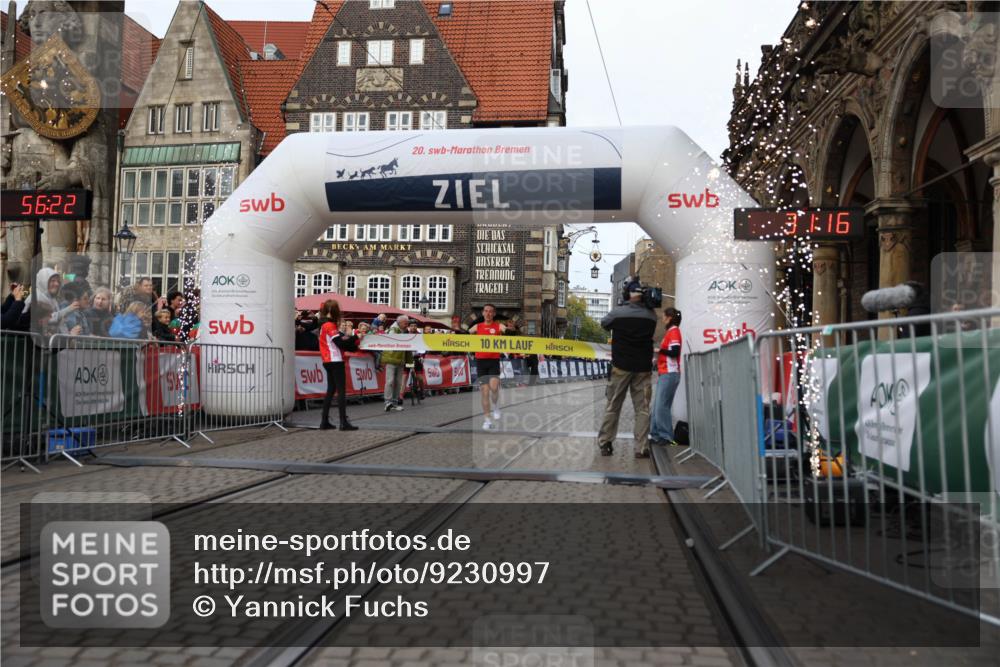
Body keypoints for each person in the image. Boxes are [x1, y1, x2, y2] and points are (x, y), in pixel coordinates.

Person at [597, 279, 658, 457]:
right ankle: (641, 447)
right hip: (643, 368)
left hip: (621, 367)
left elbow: (604, 323)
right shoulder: (651, 315)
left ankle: (606, 443)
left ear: (627, 294)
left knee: (613, 405)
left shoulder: (618, 313)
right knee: (643, 408)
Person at [317, 299, 359, 431]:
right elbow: (340, 343)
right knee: (341, 391)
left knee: (330, 391)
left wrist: (350, 339)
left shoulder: (323, 324)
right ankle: (343, 422)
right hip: (335, 359)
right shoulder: (329, 325)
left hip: (327, 360)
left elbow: (340, 341)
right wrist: (354, 338)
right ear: (335, 311)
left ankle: (324, 421)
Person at [650, 308, 683, 446]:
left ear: (669, 318)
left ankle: (666, 436)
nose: (662, 318)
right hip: (666, 373)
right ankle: (656, 434)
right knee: (658, 405)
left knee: (661, 406)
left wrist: (658, 350)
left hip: (670, 373)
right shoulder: (670, 332)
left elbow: (674, 352)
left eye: (664, 316)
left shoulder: (674, 331)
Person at [470, 304, 506, 429]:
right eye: (486, 311)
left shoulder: (498, 326)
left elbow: (508, 333)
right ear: (483, 313)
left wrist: (509, 330)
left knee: (494, 388)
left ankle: (496, 407)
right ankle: (487, 420)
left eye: (491, 311)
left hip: (494, 360)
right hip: (481, 361)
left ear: (494, 314)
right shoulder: (477, 327)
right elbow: (464, 336)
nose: (488, 313)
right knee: (484, 392)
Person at [380, 315, 411, 411]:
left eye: (407, 323)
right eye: (405, 323)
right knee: (390, 381)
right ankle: (388, 402)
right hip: (391, 359)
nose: (407, 325)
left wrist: (410, 363)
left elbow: (408, 348)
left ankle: (394, 402)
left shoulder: (404, 331)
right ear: (400, 322)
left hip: (400, 360)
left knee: (398, 382)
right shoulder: (393, 330)